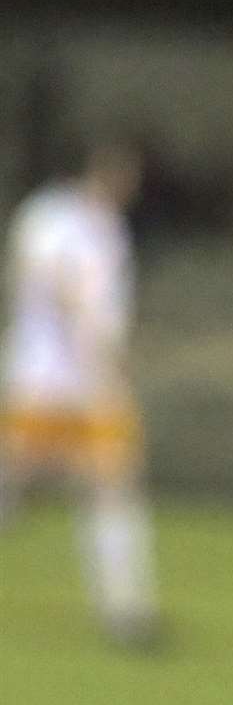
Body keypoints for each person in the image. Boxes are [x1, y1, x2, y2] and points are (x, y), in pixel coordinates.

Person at [1, 133, 161, 648]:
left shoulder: (108, 226)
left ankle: (126, 609)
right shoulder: (50, 216)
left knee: (114, 486)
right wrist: (97, 347)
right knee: (15, 482)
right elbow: (52, 284)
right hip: (45, 382)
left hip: (90, 387)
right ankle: (125, 608)